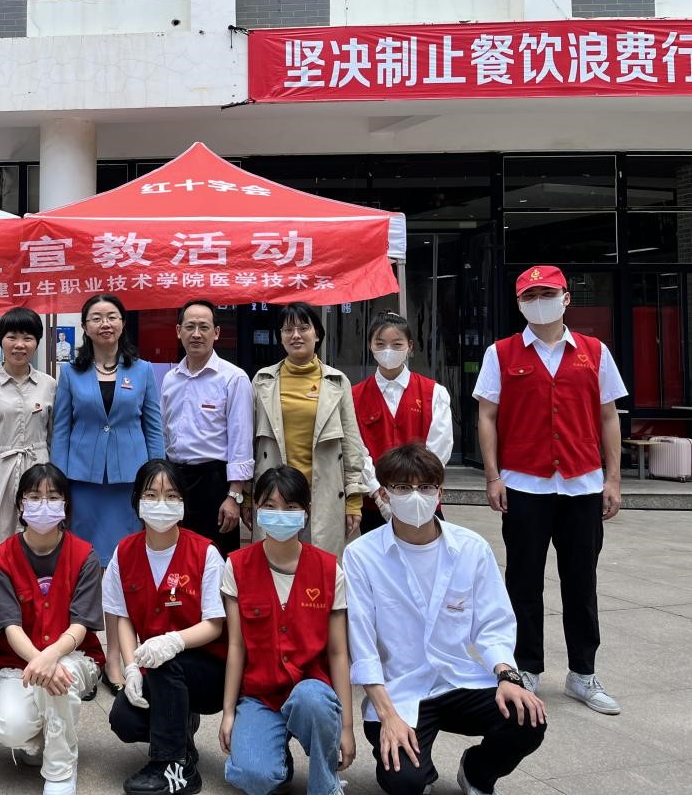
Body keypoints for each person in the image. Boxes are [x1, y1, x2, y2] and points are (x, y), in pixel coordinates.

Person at [345, 443, 547, 795]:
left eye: (426, 487)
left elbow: (493, 622)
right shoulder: (361, 556)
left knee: (527, 717)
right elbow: (361, 644)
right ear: (384, 494)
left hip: (457, 680)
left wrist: (507, 676)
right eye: (403, 488)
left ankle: (477, 772)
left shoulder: (471, 548)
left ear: (440, 493)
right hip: (400, 692)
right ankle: (419, 768)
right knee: (405, 783)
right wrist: (388, 716)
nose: (416, 496)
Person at [474, 264, 626, 715]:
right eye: (530, 295)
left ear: (566, 298)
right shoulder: (501, 353)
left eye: (547, 293)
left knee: (581, 582)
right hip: (524, 485)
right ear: (519, 303)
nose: (539, 302)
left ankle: (583, 673)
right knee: (522, 582)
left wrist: (613, 479)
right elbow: (486, 417)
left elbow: (608, 417)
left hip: (582, 484)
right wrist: (492, 475)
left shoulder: (594, 352)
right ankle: (527, 668)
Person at [51, 293, 164, 692]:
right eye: (96, 317)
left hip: (128, 484)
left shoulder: (143, 370)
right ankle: (86, 653)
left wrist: (157, 478)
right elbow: (61, 429)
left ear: (122, 323)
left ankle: (117, 656)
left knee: (122, 570)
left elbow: (153, 426)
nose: (105, 323)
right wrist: (58, 485)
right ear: (85, 326)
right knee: (85, 569)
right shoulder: (71, 373)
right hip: (83, 484)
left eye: (112, 316)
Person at [219, 465, 353, 795]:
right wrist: (228, 713)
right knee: (254, 777)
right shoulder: (236, 565)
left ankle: (325, 786)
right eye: (270, 505)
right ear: (255, 509)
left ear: (306, 512)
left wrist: (347, 727)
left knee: (312, 700)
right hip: (261, 695)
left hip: (312, 691)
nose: (280, 514)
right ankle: (275, 757)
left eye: (291, 507)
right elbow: (236, 646)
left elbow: (338, 652)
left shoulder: (329, 569)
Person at [104, 460, 226, 795]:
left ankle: (174, 766)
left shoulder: (205, 553)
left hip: (206, 671)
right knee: (124, 719)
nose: (161, 503)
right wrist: (131, 667)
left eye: (171, 495)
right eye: (151, 495)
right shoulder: (124, 552)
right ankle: (180, 731)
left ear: (184, 504)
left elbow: (215, 624)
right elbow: (123, 617)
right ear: (137, 501)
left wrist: (173, 641)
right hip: (155, 666)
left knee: (166, 661)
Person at [0, 463, 103, 795]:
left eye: (53, 496)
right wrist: (40, 660)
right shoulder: (1, 559)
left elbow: (81, 625)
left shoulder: (85, 555)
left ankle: (60, 770)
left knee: (61, 676)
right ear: (20, 504)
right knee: (9, 728)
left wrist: (51, 658)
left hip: (75, 656)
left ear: (66, 504)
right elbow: (9, 626)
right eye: (34, 496)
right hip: (19, 661)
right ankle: (42, 736)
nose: (43, 503)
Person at [250, 301, 367, 556]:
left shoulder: (337, 381)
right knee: (273, 563)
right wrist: (248, 496)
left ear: (317, 334)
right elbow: (249, 445)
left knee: (320, 565)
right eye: (287, 330)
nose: (295, 335)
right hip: (274, 494)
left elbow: (351, 443)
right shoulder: (262, 381)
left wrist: (354, 500)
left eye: (303, 328)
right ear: (280, 337)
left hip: (323, 494)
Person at [160, 299, 253, 556]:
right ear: (178, 331)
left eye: (204, 327)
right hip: (175, 481)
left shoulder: (234, 378)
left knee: (215, 557)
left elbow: (241, 441)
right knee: (178, 556)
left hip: (214, 482)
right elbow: (165, 432)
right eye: (190, 327)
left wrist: (234, 496)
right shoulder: (170, 379)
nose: (196, 334)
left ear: (217, 332)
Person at [0, 307, 57, 554]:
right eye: (12, 337)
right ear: (1, 341)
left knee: (38, 537)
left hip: (39, 471)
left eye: (27, 338)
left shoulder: (49, 385)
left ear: (37, 342)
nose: (19, 345)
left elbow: (53, 438)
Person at [353, 310, 453, 533]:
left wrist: (413, 490)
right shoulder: (353, 396)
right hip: (375, 505)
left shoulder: (434, 393)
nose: (388, 350)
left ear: (410, 346)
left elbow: (440, 448)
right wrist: (379, 493)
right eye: (380, 344)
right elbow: (356, 451)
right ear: (370, 346)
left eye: (397, 344)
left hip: (423, 502)